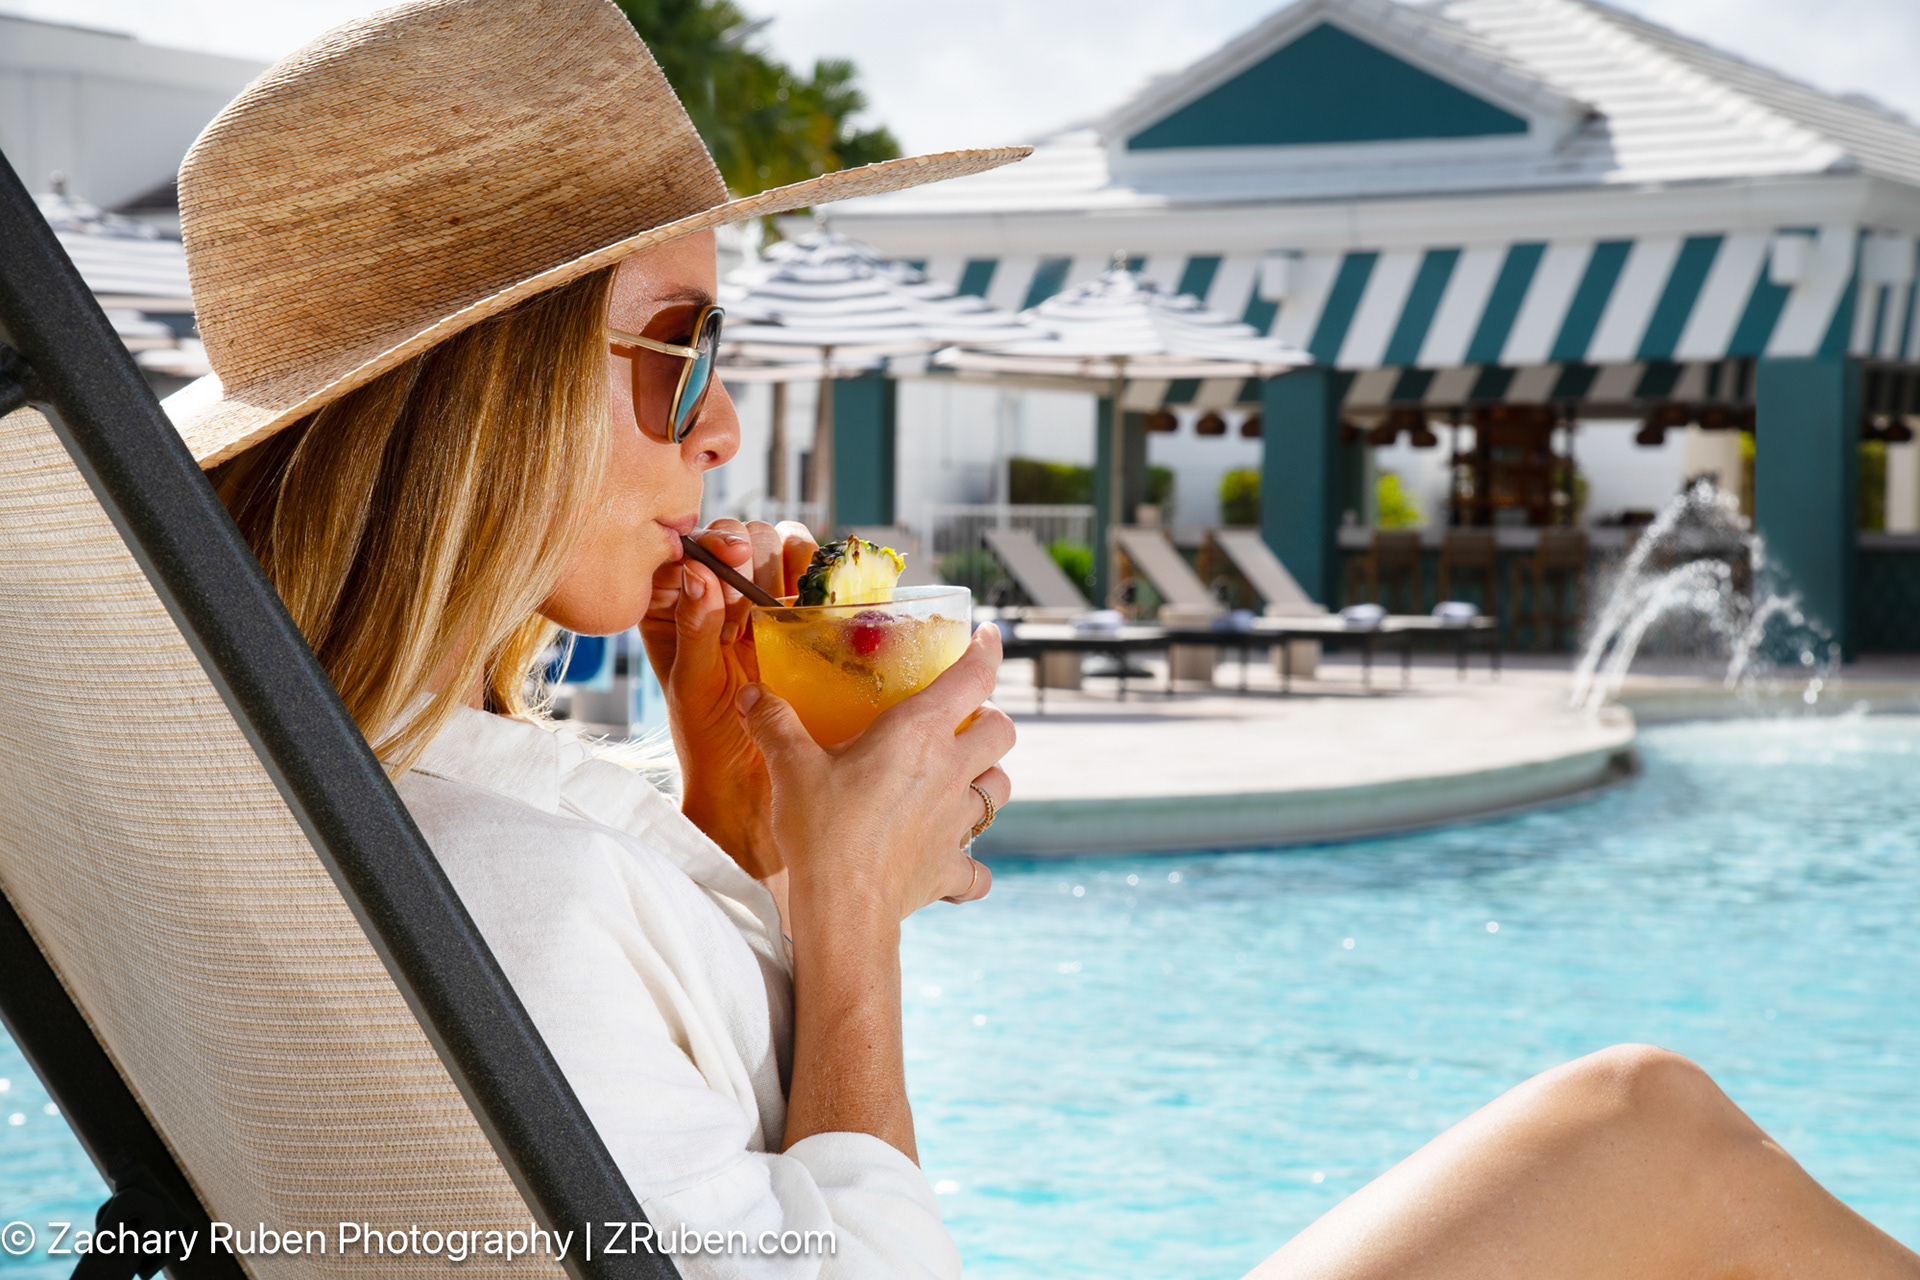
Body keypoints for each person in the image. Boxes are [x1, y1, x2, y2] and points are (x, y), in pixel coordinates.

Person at [166, 1, 1919, 1276]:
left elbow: (667, 1182)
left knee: (1638, 1124)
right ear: (492, 398)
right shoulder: (511, 892)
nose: (721, 432)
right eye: (684, 349)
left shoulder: (356, 818)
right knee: (1647, 1133)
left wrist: (735, 829)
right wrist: (845, 921)